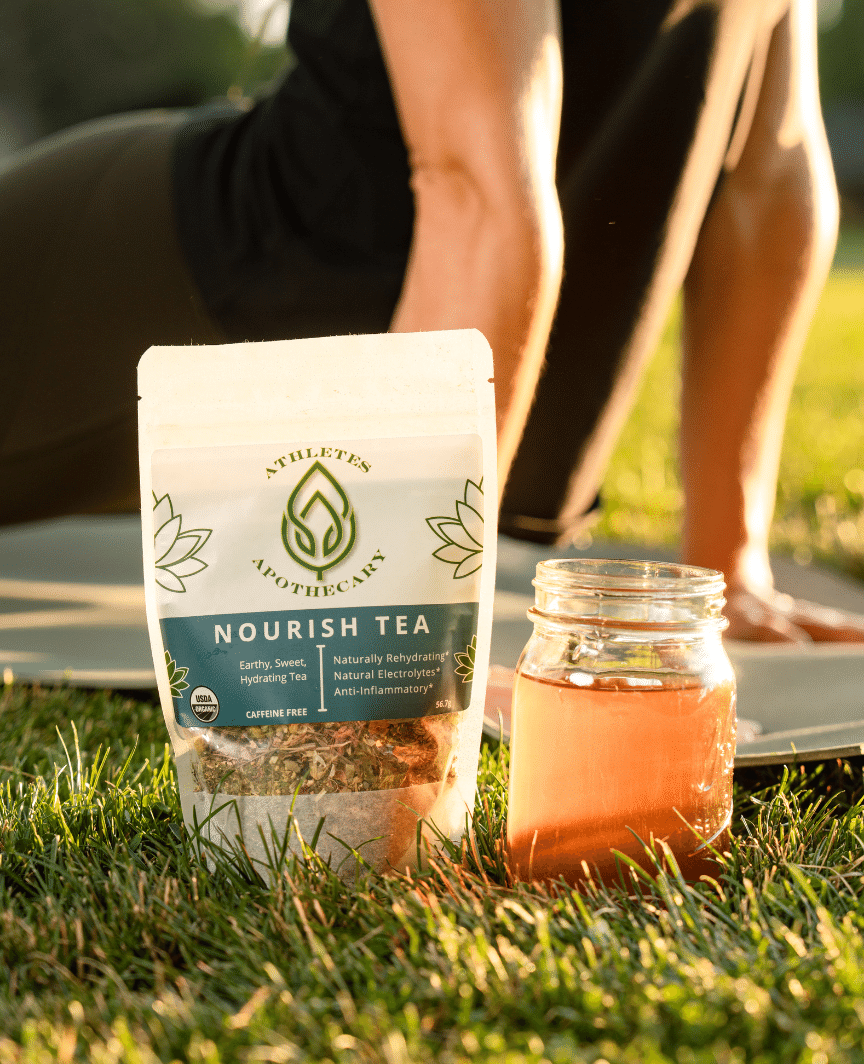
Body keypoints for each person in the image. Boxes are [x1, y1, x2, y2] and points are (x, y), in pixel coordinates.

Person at [0, 0, 861, 642]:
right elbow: (475, 188)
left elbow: (774, 173)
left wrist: (726, 565)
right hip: (198, 277)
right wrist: (420, 637)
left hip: (373, 315)